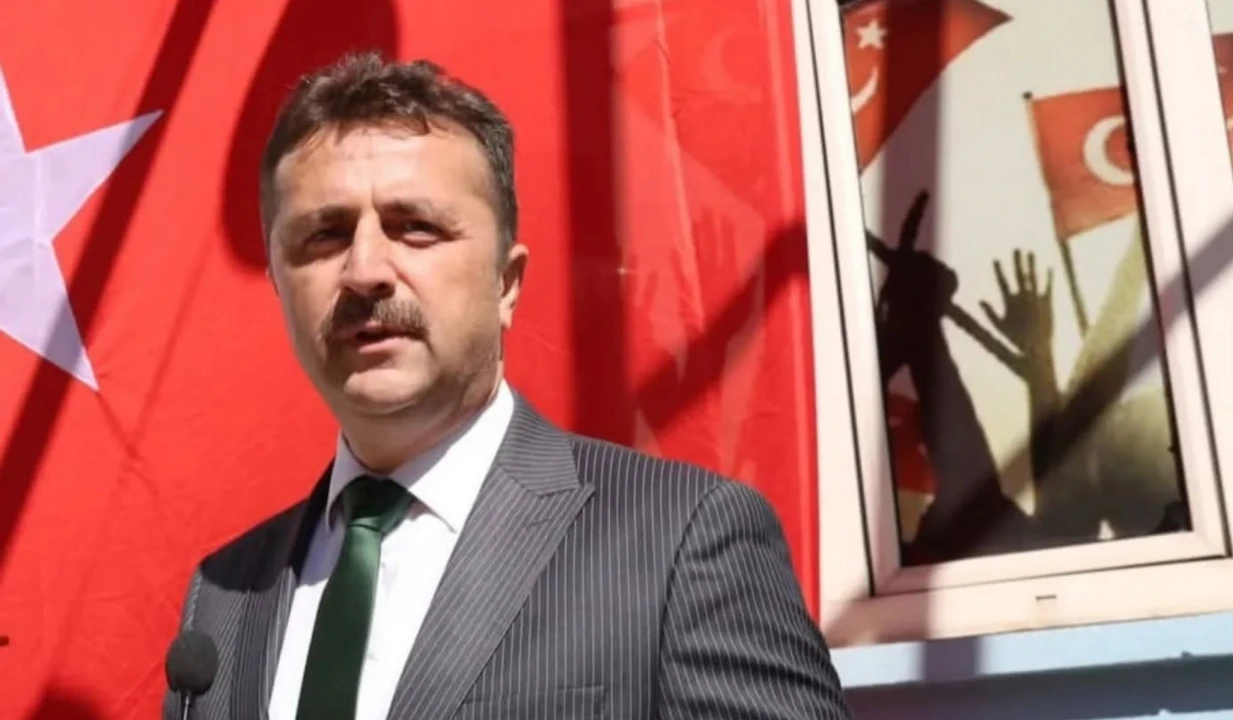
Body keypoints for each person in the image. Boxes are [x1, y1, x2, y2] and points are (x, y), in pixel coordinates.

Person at [163, 50, 851, 720]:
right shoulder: (223, 599)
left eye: (416, 228)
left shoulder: (680, 544)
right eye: (324, 236)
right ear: (279, 285)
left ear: (506, 283)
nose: (365, 270)